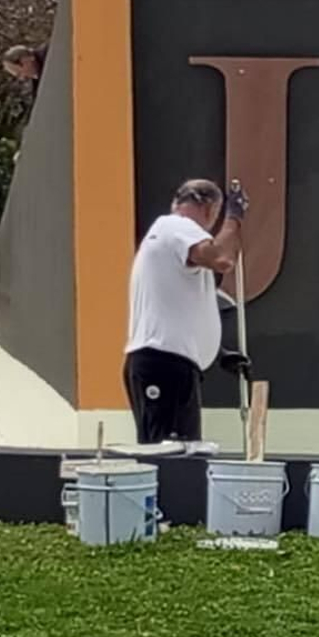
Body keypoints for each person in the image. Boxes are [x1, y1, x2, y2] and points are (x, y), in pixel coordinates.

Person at [124, 178, 246, 443]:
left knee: (183, 450)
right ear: (210, 209)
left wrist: (216, 352)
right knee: (170, 454)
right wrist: (234, 219)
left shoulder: (169, 240)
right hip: (164, 363)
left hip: (171, 363)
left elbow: (177, 308)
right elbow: (221, 258)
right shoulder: (176, 226)